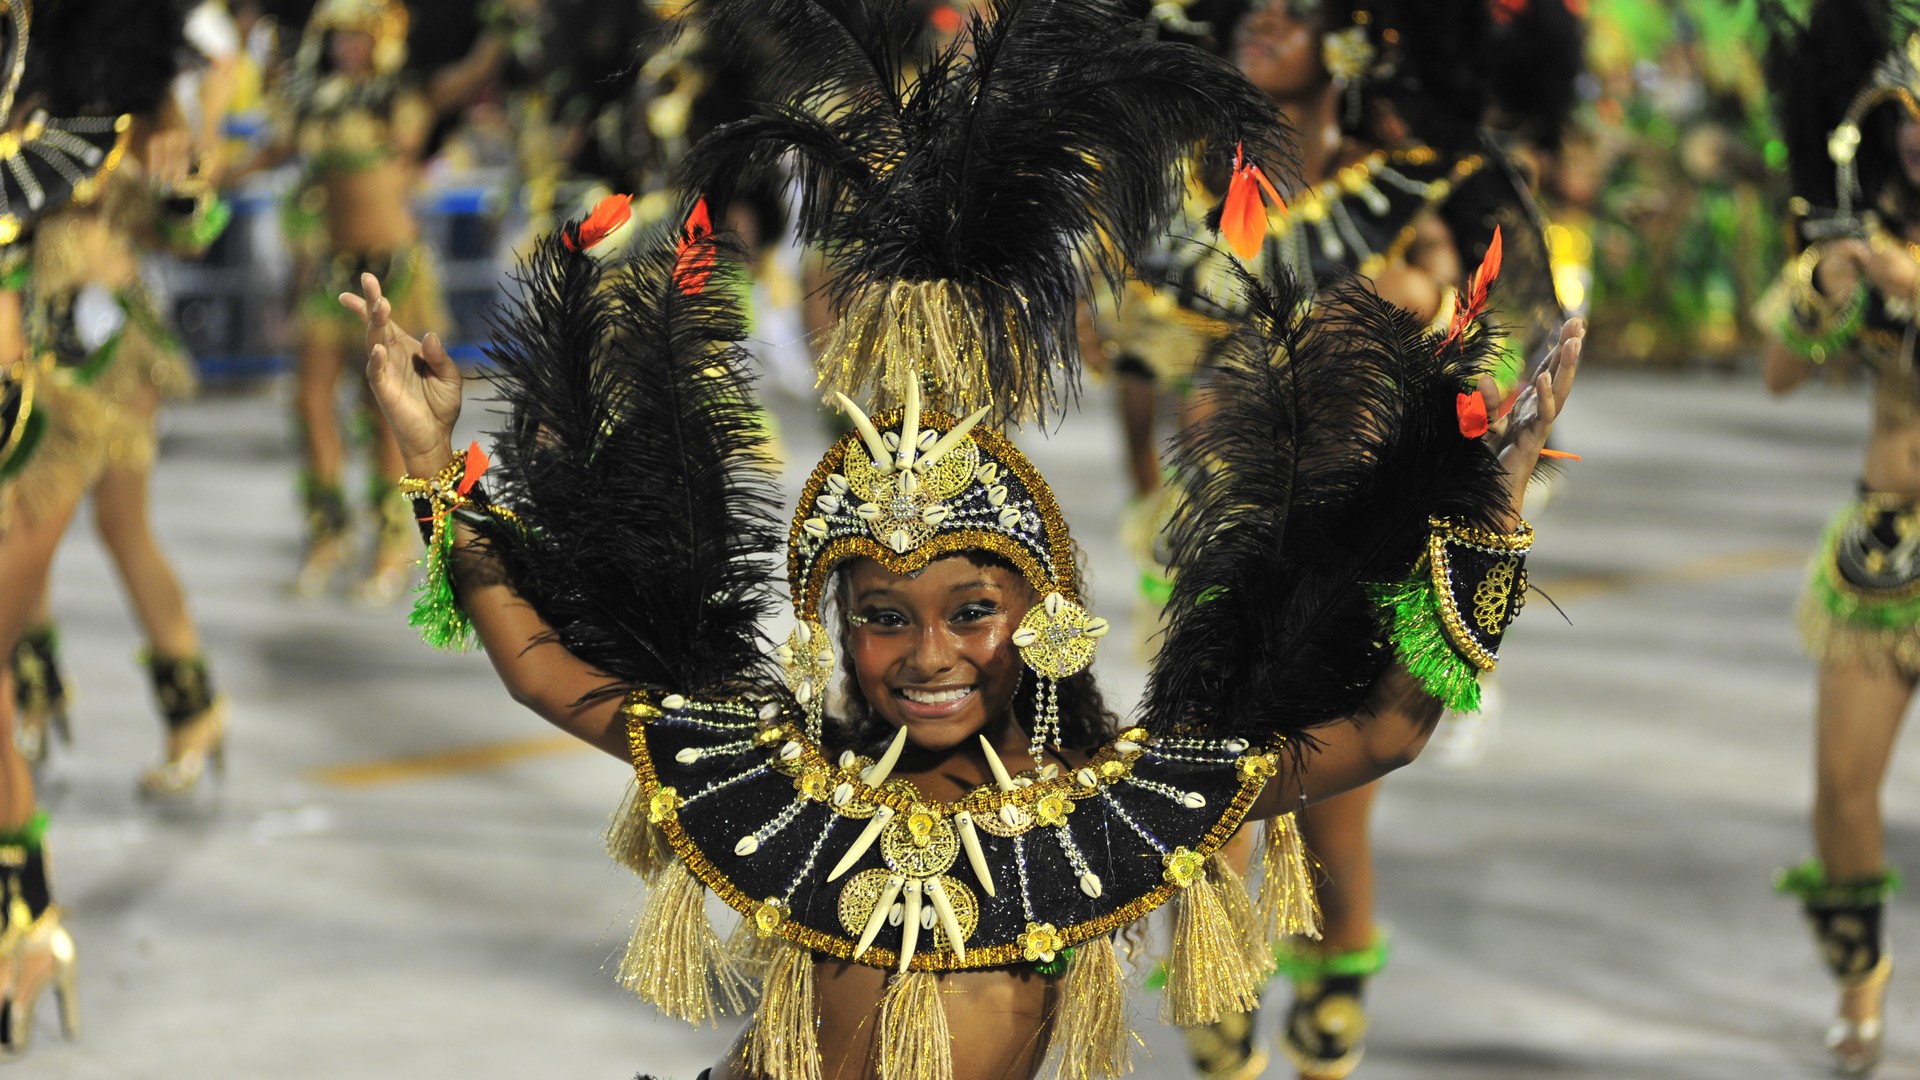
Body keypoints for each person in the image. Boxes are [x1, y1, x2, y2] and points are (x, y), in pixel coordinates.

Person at [348, 3, 1580, 1078]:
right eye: (882, 616)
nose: (927, 654)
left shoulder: (1108, 813)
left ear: (1040, 615)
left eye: (970, 613)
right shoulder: (773, 788)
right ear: (831, 627)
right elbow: (543, 670)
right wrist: (426, 462)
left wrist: (1489, 512)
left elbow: (1380, 731)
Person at [1101, 2, 1578, 1075]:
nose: (1265, 20)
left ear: (1352, 37)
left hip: (1358, 542)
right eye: (1249, 7)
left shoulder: (1411, 190)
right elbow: (1137, 366)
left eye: (1295, 8)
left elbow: (1487, 359)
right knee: (1203, 793)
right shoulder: (1190, 193)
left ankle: (1331, 1023)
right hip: (1212, 538)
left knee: (1328, 815)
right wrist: (1147, 492)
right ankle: (1220, 1029)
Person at [0, 0, 189, 1052]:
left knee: (122, 540)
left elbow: (188, 221)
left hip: (51, 404)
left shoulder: (103, 108)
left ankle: (26, 922)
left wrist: (178, 183)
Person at [1761, 1, 1920, 1073]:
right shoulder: (1874, 228)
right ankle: (1860, 990)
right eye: (1909, 108)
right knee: (1839, 789)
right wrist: (1823, 286)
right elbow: (1777, 374)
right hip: (1885, 544)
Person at [243, 0, 448, 602]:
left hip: (392, 273)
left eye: (358, 37)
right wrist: (207, 176)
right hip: (330, 272)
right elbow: (271, 152)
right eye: (338, 38)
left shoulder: (396, 102)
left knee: (381, 405)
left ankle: (389, 544)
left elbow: (437, 108)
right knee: (308, 398)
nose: (346, 48)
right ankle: (328, 532)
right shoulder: (314, 103)